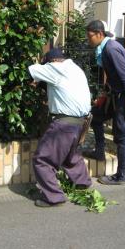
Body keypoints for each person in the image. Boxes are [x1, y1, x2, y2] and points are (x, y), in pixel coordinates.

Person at [28, 48, 92, 207]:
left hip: (64, 124)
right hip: (81, 122)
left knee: (42, 159)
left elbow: (31, 69)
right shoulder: (75, 69)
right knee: (71, 156)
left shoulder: (56, 68)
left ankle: (53, 197)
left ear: (52, 62)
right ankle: (82, 183)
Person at [85, 20, 125, 185]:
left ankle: (121, 176)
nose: (89, 40)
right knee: (96, 115)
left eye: (90, 36)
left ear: (99, 34)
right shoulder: (104, 48)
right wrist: (105, 93)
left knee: (122, 135)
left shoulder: (111, 49)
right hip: (116, 94)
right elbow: (114, 76)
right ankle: (99, 152)